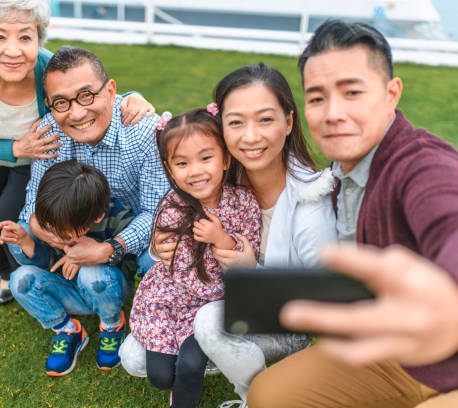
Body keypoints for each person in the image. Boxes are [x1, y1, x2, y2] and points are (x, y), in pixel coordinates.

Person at [247, 20, 458, 407]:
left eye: (352, 92)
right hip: (390, 352)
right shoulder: (342, 172)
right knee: (267, 395)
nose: (333, 113)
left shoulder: (423, 164)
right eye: (317, 97)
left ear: (392, 94)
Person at [120, 64, 337, 408]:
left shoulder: (311, 203)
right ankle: (218, 353)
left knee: (209, 322)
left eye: (265, 120)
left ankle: (259, 397)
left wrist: (250, 270)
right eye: (236, 122)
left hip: (281, 319)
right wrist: (159, 246)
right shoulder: (220, 171)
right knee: (133, 357)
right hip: (204, 298)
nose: (250, 136)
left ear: (289, 122)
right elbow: (178, 142)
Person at [0, 0, 154, 305]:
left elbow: (91, 91)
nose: (13, 50)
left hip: (39, 157)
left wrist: (133, 98)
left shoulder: (48, 68)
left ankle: (38, 270)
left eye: (25, 37)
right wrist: (16, 148)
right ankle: (8, 272)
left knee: (2, 217)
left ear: (38, 37)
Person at [11, 45, 168, 374]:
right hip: (74, 237)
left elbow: (156, 212)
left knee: (162, 248)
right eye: (62, 103)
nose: (77, 113)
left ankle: (156, 312)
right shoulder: (50, 133)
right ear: (50, 105)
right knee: (19, 245)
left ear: (111, 91)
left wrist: (108, 249)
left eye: (86, 95)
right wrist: (68, 243)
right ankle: (69, 324)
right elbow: (32, 210)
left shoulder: (142, 131)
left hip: (131, 240)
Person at [129, 107, 262, 408]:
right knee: (160, 376)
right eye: (182, 163)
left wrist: (221, 239)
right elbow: (173, 263)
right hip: (172, 301)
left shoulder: (244, 203)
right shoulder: (172, 206)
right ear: (170, 168)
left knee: (189, 364)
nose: (196, 171)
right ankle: (178, 376)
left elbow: (246, 259)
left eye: (206, 158)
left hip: (214, 303)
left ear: (226, 158)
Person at [0, 160, 137, 375]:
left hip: (107, 289)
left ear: (96, 218)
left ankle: (112, 324)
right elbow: (50, 266)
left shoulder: (118, 218)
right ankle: (67, 329)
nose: (52, 235)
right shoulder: (55, 217)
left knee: (92, 273)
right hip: (70, 291)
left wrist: (90, 255)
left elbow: (129, 268)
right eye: (49, 227)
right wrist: (27, 241)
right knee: (19, 279)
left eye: (60, 231)